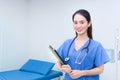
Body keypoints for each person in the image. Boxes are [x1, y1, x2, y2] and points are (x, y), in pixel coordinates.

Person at [56, 9, 110, 80]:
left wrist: (82, 73)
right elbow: (58, 63)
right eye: (75, 23)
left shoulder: (96, 46)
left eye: (82, 22)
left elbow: (100, 69)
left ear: (89, 23)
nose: (78, 26)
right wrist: (63, 69)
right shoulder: (67, 43)